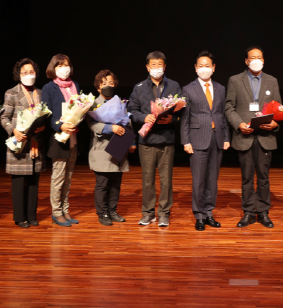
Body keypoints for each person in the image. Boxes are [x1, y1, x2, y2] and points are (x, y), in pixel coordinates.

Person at [225, 45, 281, 228]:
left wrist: (275, 123)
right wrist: (239, 124)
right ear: (246, 61)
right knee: (247, 177)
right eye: (252, 57)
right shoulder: (235, 80)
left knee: (264, 177)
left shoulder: (272, 81)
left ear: (263, 60)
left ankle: (263, 212)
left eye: (259, 57)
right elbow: (229, 107)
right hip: (245, 137)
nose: (256, 60)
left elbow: (278, 108)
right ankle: (248, 211)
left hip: (265, 136)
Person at [128, 51, 181, 227]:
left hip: (167, 139)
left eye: (159, 65)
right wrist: (144, 117)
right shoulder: (139, 87)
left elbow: (182, 112)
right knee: (148, 180)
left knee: (166, 180)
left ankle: (164, 213)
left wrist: (172, 119)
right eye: (153, 65)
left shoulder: (174, 86)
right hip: (147, 140)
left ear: (164, 66)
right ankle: (148, 213)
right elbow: (131, 110)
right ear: (147, 67)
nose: (156, 68)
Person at [180, 51, 230, 231]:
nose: (204, 68)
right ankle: (199, 216)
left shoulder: (221, 88)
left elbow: (222, 115)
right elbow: (185, 118)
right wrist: (185, 141)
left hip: (217, 139)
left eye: (207, 65)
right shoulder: (188, 89)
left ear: (213, 68)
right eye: (201, 66)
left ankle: (209, 213)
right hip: (197, 139)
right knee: (199, 180)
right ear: (195, 68)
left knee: (212, 180)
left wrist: (226, 137)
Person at [1, 58, 47, 228]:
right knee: (19, 181)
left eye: (31, 72)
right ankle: (20, 217)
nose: (29, 75)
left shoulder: (41, 93)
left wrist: (43, 126)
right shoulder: (11, 93)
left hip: (36, 143)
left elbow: (45, 115)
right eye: (24, 72)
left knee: (34, 181)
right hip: (19, 143)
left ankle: (31, 215)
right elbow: (4, 117)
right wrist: (13, 130)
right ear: (18, 75)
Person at [86, 70, 136, 226]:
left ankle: (113, 210)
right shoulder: (92, 104)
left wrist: (132, 141)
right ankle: (102, 213)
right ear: (98, 87)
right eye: (104, 83)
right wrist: (110, 128)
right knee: (103, 184)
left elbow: (128, 122)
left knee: (115, 183)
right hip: (102, 148)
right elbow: (92, 125)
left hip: (119, 147)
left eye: (111, 82)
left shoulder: (119, 102)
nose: (108, 85)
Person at [41, 54, 83, 227]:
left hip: (73, 136)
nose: (64, 68)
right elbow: (47, 114)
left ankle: (65, 210)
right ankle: (56, 212)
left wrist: (78, 120)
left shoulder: (75, 85)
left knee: (68, 177)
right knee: (58, 177)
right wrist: (60, 126)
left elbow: (79, 108)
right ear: (53, 68)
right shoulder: (48, 88)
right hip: (58, 138)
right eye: (59, 65)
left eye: (66, 65)